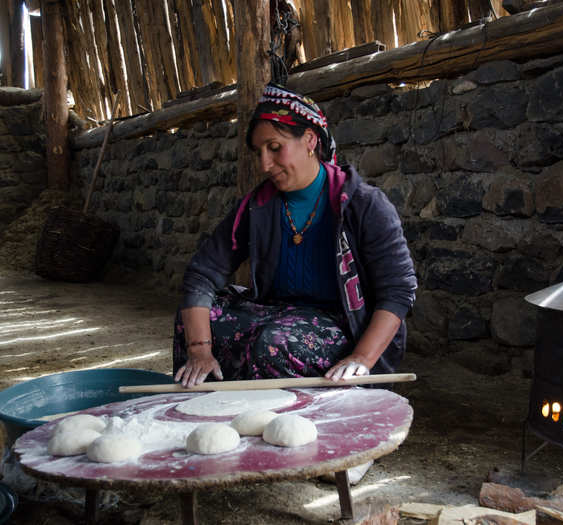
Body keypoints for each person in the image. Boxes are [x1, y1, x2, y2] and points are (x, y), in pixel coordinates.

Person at [173, 82, 417, 388]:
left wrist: (362, 359)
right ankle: (212, 414)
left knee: (275, 344)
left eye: (275, 148)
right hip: (277, 315)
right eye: (259, 152)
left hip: (343, 323)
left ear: (310, 139)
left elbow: (398, 291)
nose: (264, 164)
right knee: (197, 319)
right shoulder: (258, 206)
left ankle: (292, 426)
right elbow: (202, 274)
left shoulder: (362, 204)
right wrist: (200, 351)